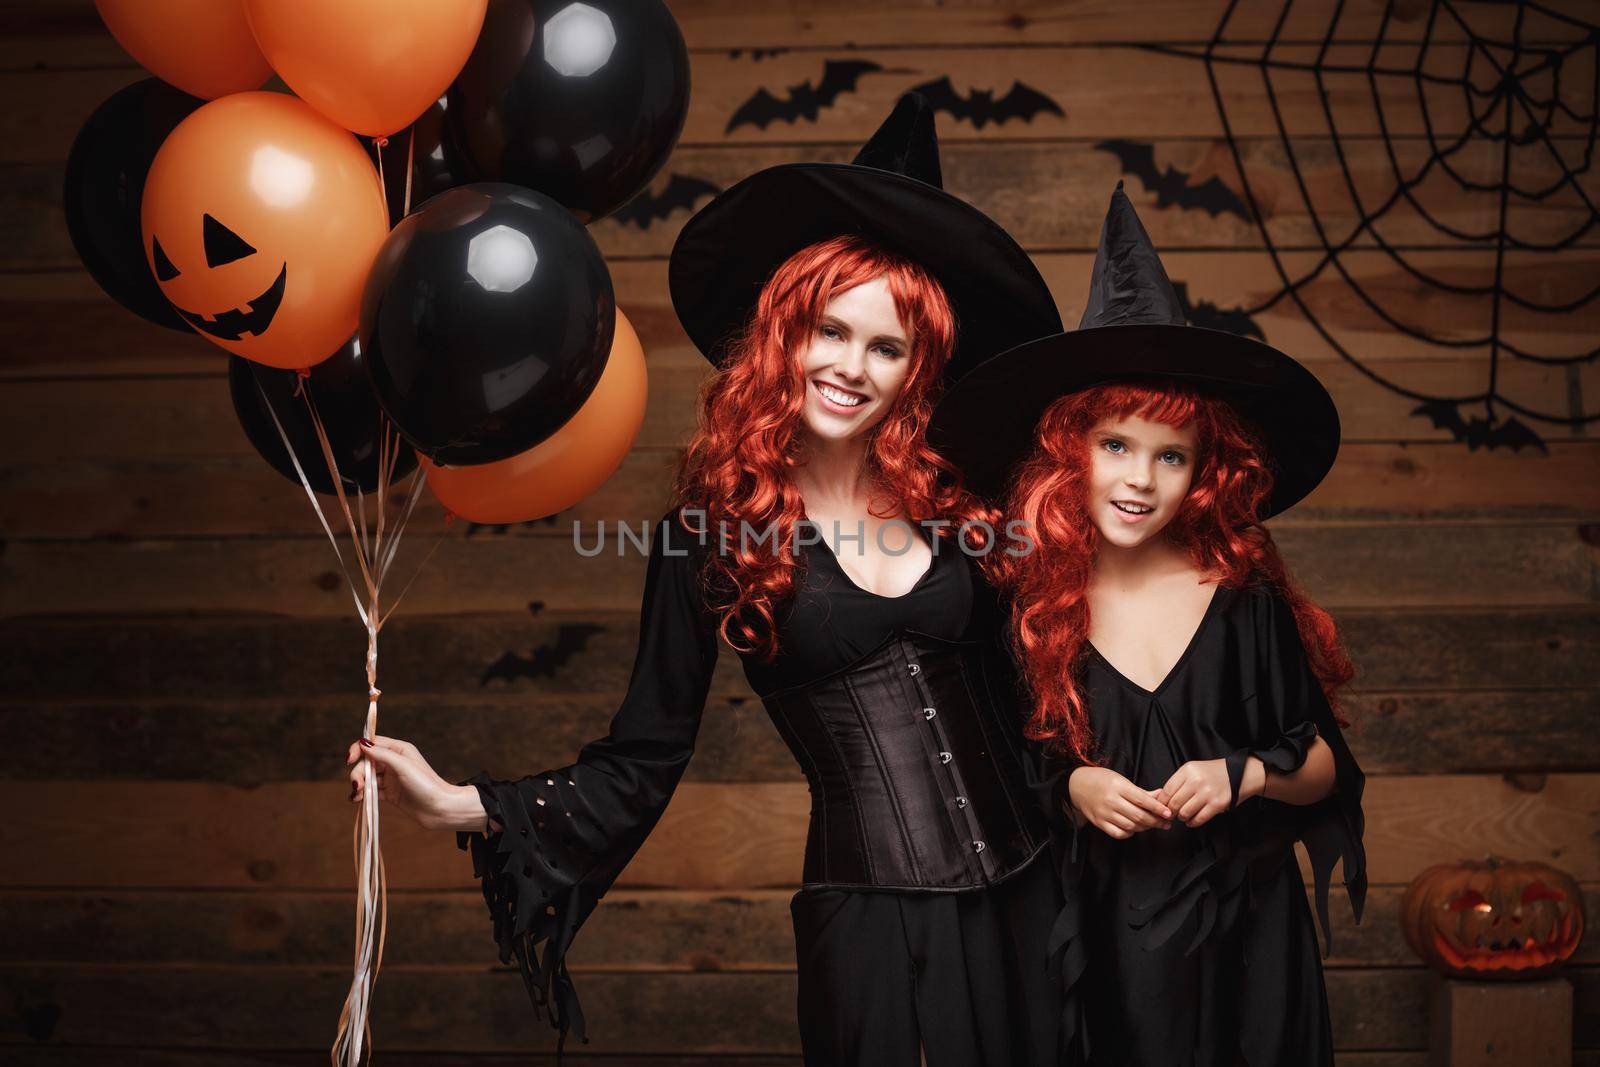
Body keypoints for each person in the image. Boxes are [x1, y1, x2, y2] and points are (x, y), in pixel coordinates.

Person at [343, 94, 1076, 1065]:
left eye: (885, 346)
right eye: (828, 329)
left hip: (1038, 899)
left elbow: (1063, 679)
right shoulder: (710, 538)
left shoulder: (968, 507)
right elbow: (644, 752)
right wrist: (459, 801)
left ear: (916, 370)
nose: (849, 366)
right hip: (869, 927)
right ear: (784, 335)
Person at [929, 184, 1367, 1066]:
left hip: (1250, 941)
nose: (1141, 479)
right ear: (1069, 452)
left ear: (1208, 473)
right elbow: (1010, 778)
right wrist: (1076, 790)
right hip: (1103, 942)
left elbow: (1321, 766)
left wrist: (1245, 774)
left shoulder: (1241, 597)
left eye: (1172, 456)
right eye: (1117, 446)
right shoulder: (1033, 608)